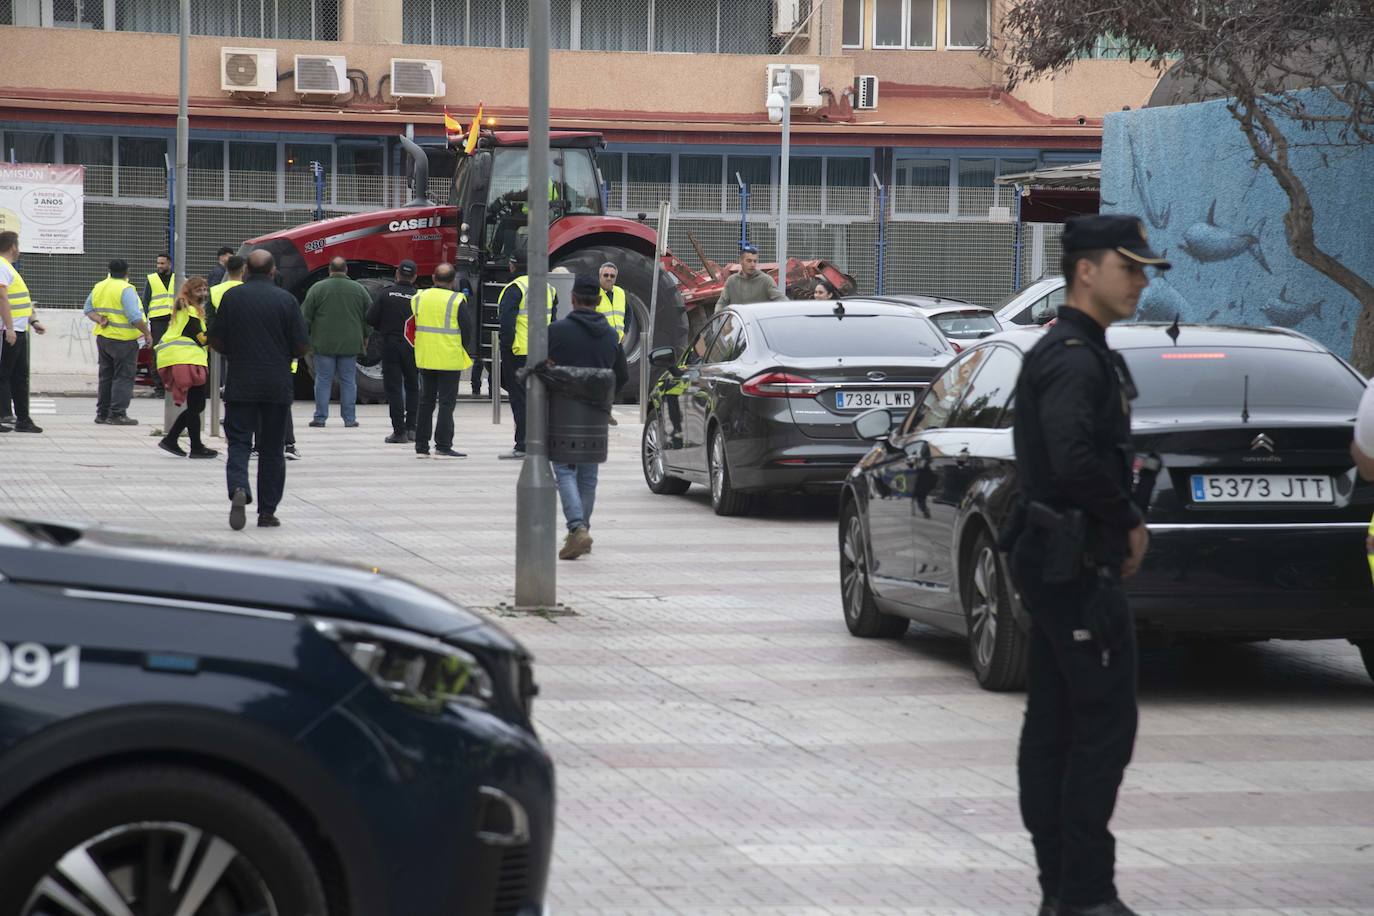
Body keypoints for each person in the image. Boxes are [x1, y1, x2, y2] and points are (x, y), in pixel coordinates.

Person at [1006, 215, 1165, 916]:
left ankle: (1063, 892)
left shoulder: (1076, 350)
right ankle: (1083, 893)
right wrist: (1128, 520)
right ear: (1086, 271)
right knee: (1097, 730)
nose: (1140, 281)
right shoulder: (1072, 357)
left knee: (1058, 725)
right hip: (1070, 566)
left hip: (1057, 560)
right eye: (1129, 267)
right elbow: (1071, 459)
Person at [209, 249, 309, 531]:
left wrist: (234, 353)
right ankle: (267, 512)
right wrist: (283, 354)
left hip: (241, 383)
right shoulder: (287, 301)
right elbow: (302, 345)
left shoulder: (232, 297)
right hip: (276, 385)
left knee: (239, 443)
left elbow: (216, 339)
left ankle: (239, 487)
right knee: (272, 450)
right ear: (273, 271)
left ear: (246, 271)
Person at [548, 274, 628, 560]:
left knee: (564, 469)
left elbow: (542, 369)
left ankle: (577, 527)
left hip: (564, 411)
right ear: (598, 301)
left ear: (573, 299)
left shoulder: (556, 331)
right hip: (596, 413)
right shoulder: (610, 335)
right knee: (588, 476)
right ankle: (581, 530)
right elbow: (623, 374)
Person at [497, 248, 555, 460]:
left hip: (519, 352)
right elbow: (554, 322)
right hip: (542, 351)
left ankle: (522, 445)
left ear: (512, 265)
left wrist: (506, 348)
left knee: (520, 399)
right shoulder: (549, 288)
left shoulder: (515, 288)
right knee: (541, 398)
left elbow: (507, 324)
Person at [411, 262, 473, 459]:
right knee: (446, 403)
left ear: (433, 278)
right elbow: (467, 329)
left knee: (425, 402)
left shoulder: (419, 297)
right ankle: (443, 446)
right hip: (449, 358)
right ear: (453, 281)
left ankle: (421, 447)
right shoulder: (457, 300)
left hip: (425, 356)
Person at [84, 259, 155, 426]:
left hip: (104, 338)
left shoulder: (99, 286)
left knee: (106, 376)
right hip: (123, 340)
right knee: (123, 377)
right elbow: (134, 317)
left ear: (109, 271)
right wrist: (147, 333)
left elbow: (88, 309)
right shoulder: (126, 289)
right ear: (127, 272)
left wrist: (99, 319)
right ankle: (117, 414)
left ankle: (102, 413)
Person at [302, 257, 370, 428]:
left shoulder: (317, 289)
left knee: (323, 379)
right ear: (346, 270)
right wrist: (366, 335)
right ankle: (349, 419)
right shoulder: (359, 289)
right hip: (350, 343)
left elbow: (305, 316)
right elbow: (370, 316)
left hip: (323, 343)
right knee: (348, 380)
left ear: (329, 270)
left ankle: (320, 418)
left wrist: (306, 337)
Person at [155, 277, 217, 459]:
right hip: (186, 359)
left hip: (182, 358)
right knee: (196, 404)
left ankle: (173, 439)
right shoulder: (189, 311)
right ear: (189, 291)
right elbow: (202, 339)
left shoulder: (188, 310)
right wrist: (218, 328)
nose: (204, 293)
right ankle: (195, 447)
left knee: (196, 405)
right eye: (199, 290)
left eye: (205, 289)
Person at [367, 259, 420, 444]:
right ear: (414, 276)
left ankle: (399, 432)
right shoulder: (418, 297)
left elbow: (370, 318)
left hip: (389, 345)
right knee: (413, 387)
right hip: (413, 346)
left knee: (394, 388)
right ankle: (412, 428)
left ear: (397, 273)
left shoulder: (385, 294)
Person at [0, 231, 47, 434]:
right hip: (8, 331)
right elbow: (2, 298)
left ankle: (23, 419)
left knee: (20, 377)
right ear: (13, 247)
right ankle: (4, 416)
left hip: (20, 329)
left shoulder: (9, 268)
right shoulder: (2, 266)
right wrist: (9, 328)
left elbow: (18, 300)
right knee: (4, 376)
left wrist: (33, 320)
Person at [143, 253, 177, 396]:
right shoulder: (152, 279)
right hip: (157, 321)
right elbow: (145, 301)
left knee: (174, 352)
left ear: (169, 264)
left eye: (162, 263)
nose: (159, 266)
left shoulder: (178, 278)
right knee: (158, 353)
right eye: (158, 263)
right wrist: (144, 324)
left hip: (175, 321)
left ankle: (173, 385)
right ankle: (159, 388)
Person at [716, 242, 786, 309]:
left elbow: (782, 300)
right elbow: (721, 303)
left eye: (755, 261)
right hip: (738, 321)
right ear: (741, 261)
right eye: (749, 261)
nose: (752, 264)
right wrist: (718, 320)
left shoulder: (766, 280)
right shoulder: (732, 281)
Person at [596, 261, 627, 344]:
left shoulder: (620, 292)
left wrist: (625, 332)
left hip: (618, 343)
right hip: (600, 343)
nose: (609, 278)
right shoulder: (593, 293)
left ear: (615, 278)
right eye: (605, 275)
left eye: (612, 276)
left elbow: (628, 312)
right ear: (600, 276)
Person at [208, 254, 245, 321]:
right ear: (243, 269)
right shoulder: (248, 290)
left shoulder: (214, 290)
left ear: (227, 269)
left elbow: (209, 316)